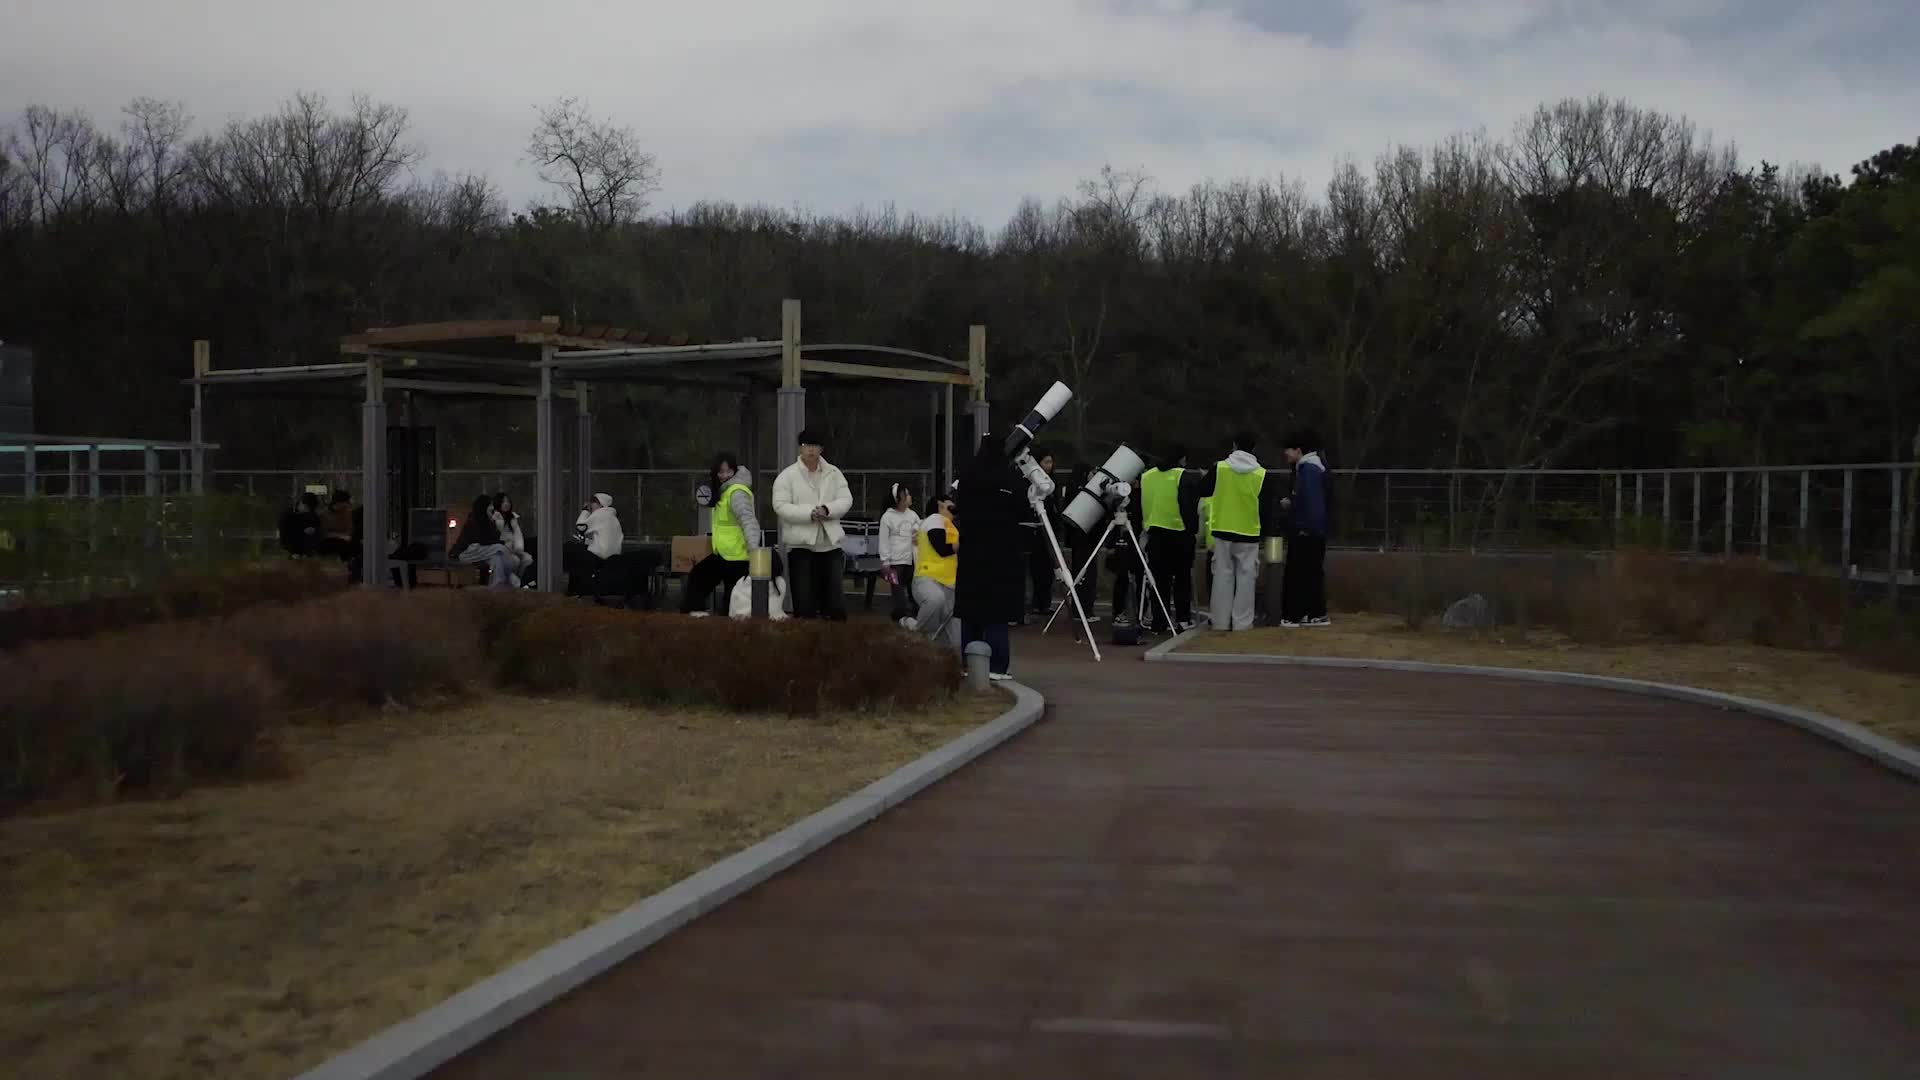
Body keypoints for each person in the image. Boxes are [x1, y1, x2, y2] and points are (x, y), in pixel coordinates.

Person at [1192, 431, 1282, 632]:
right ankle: (1243, 623)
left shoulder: (1220, 468)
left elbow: (1202, 490)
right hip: (1249, 532)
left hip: (1222, 529)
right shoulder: (1261, 474)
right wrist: (1268, 530)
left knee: (1222, 577)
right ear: (1254, 448)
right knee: (1246, 579)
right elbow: (1267, 507)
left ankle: (1220, 622)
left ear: (1234, 446)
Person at [954, 435, 1026, 680]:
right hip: (1002, 553)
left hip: (972, 552)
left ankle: (969, 664)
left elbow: (959, 507)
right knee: (997, 612)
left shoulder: (967, 476)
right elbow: (1022, 508)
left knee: (970, 611)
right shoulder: (1011, 478)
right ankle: (997, 666)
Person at [772, 429, 853, 620]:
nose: (811, 450)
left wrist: (827, 509)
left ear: (821, 449)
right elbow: (780, 506)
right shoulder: (787, 476)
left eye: (815, 446)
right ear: (800, 448)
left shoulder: (834, 473)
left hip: (830, 544)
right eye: (807, 445)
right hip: (801, 545)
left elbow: (846, 499)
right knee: (804, 603)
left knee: (835, 603)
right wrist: (809, 513)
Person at [683, 454, 760, 615]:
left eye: (728, 471)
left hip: (739, 558)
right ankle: (695, 614)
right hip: (723, 555)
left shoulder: (736, 492)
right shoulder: (723, 491)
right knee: (698, 578)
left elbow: (749, 521)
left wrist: (754, 550)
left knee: (732, 606)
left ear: (734, 471)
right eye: (720, 472)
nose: (724, 475)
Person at [1138, 445, 1202, 633]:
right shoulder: (1184, 476)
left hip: (1155, 532)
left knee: (1159, 580)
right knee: (1182, 579)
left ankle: (1160, 620)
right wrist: (1193, 531)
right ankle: (1182, 619)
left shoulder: (1147, 476)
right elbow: (1188, 507)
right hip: (1179, 533)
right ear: (1182, 459)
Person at [1279, 430, 1332, 627]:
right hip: (1316, 530)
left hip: (1306, 531)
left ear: (1298, 450)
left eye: (1289, 451)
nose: (1286, 455)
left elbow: (1312, 502)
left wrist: (1303, 526)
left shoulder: (1308, 470)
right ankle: (1315, 612)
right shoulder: (1317, 467)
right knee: (1312, 573)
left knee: (1297, 573)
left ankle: (1293, 615)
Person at [900, 487, 960, 651]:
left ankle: (913, 625)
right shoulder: (934, 520)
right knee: (935, 600)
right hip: (928, 579)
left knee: (955, 644)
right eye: (949, 502)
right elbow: (942, 548)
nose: (953, 505)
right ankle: (917, 634)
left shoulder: (951, 525)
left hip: (951, 585)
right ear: (940, 505)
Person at [1019, 449, 1060, 618]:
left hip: (1049, 529)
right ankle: (1034, 603)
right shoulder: (1029, 483)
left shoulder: (1050, 484)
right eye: (1046, 462)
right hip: (1034, 531)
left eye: (1051, 462)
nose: (1049, 466)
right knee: (1035, 569)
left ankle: (1045, 602)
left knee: (1048, 570)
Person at [450, 494, 517, 589]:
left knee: (497, 558)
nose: (492, 508)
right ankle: (508, 581)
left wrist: (498, 524)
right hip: (465, 552)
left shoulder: (490, 521)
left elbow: (494, 538)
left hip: (483, 552)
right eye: (490, 505)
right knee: (499, 548)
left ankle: (498, 585)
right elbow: (484, 541)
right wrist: (503, 544)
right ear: (483, 507)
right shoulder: (473, 521)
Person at [1062, 462, 1101, 623]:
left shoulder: (1072, 489)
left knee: (1081, 574)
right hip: (1085, 538)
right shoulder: (1083, 492)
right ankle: (1083, 610)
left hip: (1078, 539)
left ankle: (1081, 609)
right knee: (1086, 576)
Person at [565, 492, 624, 596]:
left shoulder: (601, 514)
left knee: (571, 551)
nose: (591, 505)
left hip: (600, 555)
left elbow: (581, 527)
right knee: (579, 552)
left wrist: (584, 511)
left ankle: (574, 591)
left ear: (601, 504)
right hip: (614, 556)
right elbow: (604, 538)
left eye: (594, 502)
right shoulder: (612, 517)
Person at [878, 480, 922, 621]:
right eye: (906, 494)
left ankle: (915, 617)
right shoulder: (887, 517)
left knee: (914, 591)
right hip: (895, 563)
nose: (909, 497)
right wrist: (885, 561)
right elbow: (883, 540)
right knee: (898, 593)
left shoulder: (913, 515)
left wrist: (918, 536)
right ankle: (899, 616)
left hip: (912, 561)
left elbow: (921, 531)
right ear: (898, 499)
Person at [728, 549, 790, 620]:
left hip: (741, 625)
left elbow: (732, 613)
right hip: (774, 624)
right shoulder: (780, 583)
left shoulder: (741, 582)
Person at [491, 492, 533, 586]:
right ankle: (512, 583)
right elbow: (497, 537)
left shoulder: (513, 517)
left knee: (528, 559)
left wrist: (519, 549)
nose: (506, 504)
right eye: (503, 502)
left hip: (514, 548)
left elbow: (518, 534)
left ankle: (519, 581)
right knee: (515, 561)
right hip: (501, 550)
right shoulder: (495, 517)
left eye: (508, 501)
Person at [279, 492, 322, 557]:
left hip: (308, 552)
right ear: (301, 503)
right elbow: (284, 535)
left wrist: (315, 530)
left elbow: (319, 532)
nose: (307, 510)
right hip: (290, 550)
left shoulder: (313, 516)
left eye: (310, 509)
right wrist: (291, 552)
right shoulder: (288, 515)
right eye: (306, 507)